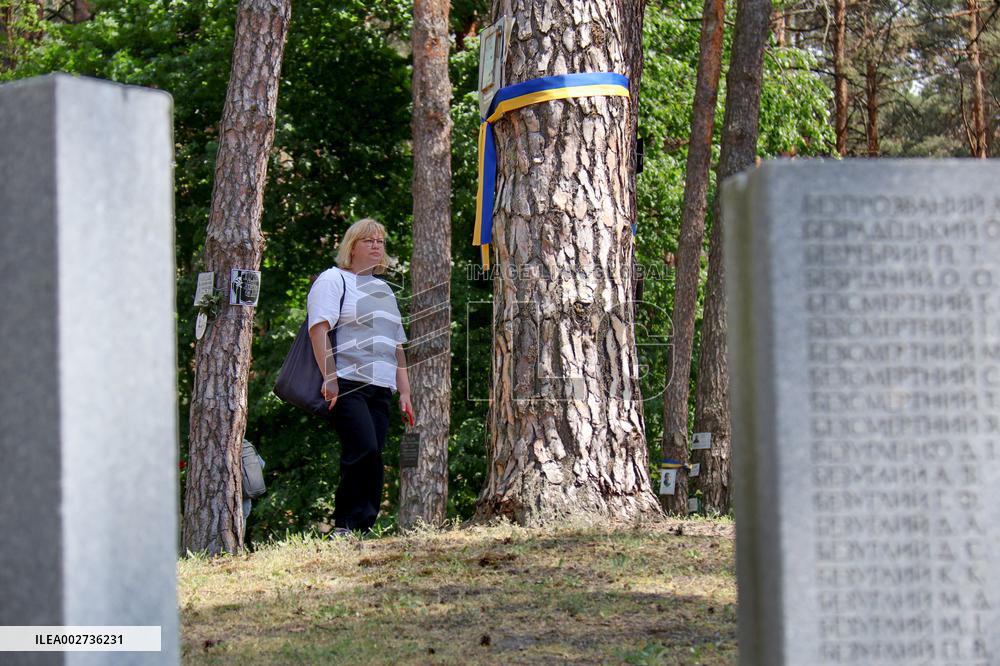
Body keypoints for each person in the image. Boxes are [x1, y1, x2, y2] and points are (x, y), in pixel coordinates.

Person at [307, 218, 414, 536]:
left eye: (380, 241)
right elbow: (319, 330)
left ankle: (363, 526)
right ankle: (344, 524)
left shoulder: (384, 290)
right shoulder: (333, 279)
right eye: (368, 240)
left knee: (374, 455)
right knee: (362, 448)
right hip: (347, 381)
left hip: (382, 387)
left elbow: (397, 345)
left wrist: (405, 392)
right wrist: (329, 377)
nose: (376, 245)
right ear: (351, 247)